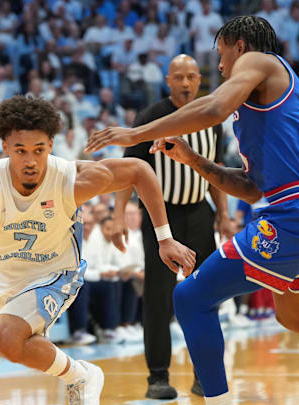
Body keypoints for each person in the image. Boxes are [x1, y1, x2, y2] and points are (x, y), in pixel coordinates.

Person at [86, 16, 299, 404]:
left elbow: (215, 107)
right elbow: (251, 190)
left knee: (190, 298)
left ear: (239, 45)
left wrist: (136, 132)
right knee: (295, 315)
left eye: (221, 55)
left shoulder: (260, 61)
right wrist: (193, 159)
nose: (219, 67)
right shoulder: (266, 101)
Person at [0, 96, 196, 405]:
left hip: (54, 272)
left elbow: (140, 170)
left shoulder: (72, 180)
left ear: (51, 144)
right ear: (5, 146)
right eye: (20, 150)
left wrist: (164, 238)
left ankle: (81, 375)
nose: (31, 161)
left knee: (4, 335)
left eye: (39, 150)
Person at [112, 54, 230, 400]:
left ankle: (202, 375)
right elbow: (129, 169)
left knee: (207, 297)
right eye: (179, 77)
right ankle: (158, 377)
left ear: (199, 81)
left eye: (192, 77)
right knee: (159, 300)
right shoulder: (150, 119)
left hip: (200, 214)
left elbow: (215, 169)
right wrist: (119, 214)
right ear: (168, 81)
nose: (186, 83)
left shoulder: (212, 118)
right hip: (161, 219)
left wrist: (222, 211)